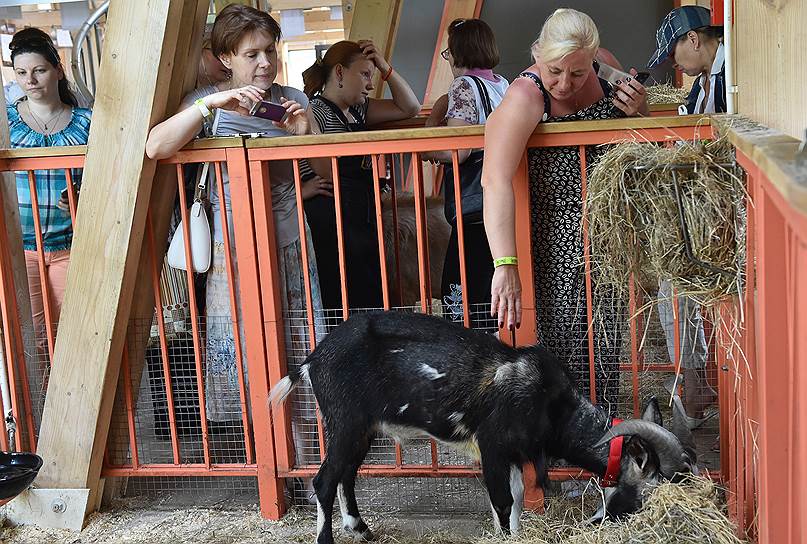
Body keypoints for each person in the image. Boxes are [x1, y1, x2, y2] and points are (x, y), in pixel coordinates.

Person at [146, 4, 324, 427]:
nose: (265, 63)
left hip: (290, 238)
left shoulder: (293, 100)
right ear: (225, 58)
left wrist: (303, 136)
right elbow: (155, 147)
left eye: (269, 51)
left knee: (297, 339)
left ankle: (301, 451)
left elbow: (328, 173)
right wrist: (210, 106)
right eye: (251, 54)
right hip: (231, 247)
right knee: (243, 343)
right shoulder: (206, 102)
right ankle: (259, 447)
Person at [481, 9, 648, 410]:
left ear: (593, 57)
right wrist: (505, 263)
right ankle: (563, 434)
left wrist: (639, 109)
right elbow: (495, 179)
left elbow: (639, 134)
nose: (565, 84)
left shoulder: (605, 68)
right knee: (565, 333)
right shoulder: (526, 93)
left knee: (606, 333)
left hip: (607, 229)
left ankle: (598, 429)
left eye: (578, 73)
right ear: (538, 53)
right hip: (558, 234)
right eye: (555, 70)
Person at [300, 39, 420, 311]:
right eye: (365, 74)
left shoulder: (360, 109)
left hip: (361, 214)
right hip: (330, 216)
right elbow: (321, 170)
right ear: (340, 73)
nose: (370, 83)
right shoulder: (314, 111)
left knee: (369, 291)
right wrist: (302, 189)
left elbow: (410, 107)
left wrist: (385, 67)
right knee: (342, 291)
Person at [649, 5, 722, 424]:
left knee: (678, 290)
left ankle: (697, 387)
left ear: (693, 39)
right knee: (673, 290)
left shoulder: (730, 79)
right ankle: (696, 382)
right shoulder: (701, 84)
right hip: (698, 204)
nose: (675, 64)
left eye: (674, 53)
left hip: (719, 206)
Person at [7, 27, 92, 356]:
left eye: (39, 70)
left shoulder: (86, 122)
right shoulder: (6, 123)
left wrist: (81, 196)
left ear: (58, 69)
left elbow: (102, 179)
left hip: (72, 245)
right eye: (21, 72)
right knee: (35, 341)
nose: (30, 80)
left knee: (75, 335)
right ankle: (41, 408)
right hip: (21, 248)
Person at [421, 18, 509, 324]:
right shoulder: (503, 85)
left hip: (473, 206)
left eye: (448, 53)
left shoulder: (464, 86)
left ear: (458, 53)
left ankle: (469, 357)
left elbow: (456, 149)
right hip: (500, 200)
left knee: (459, 289)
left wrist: (426, 136)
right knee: (489, 282)